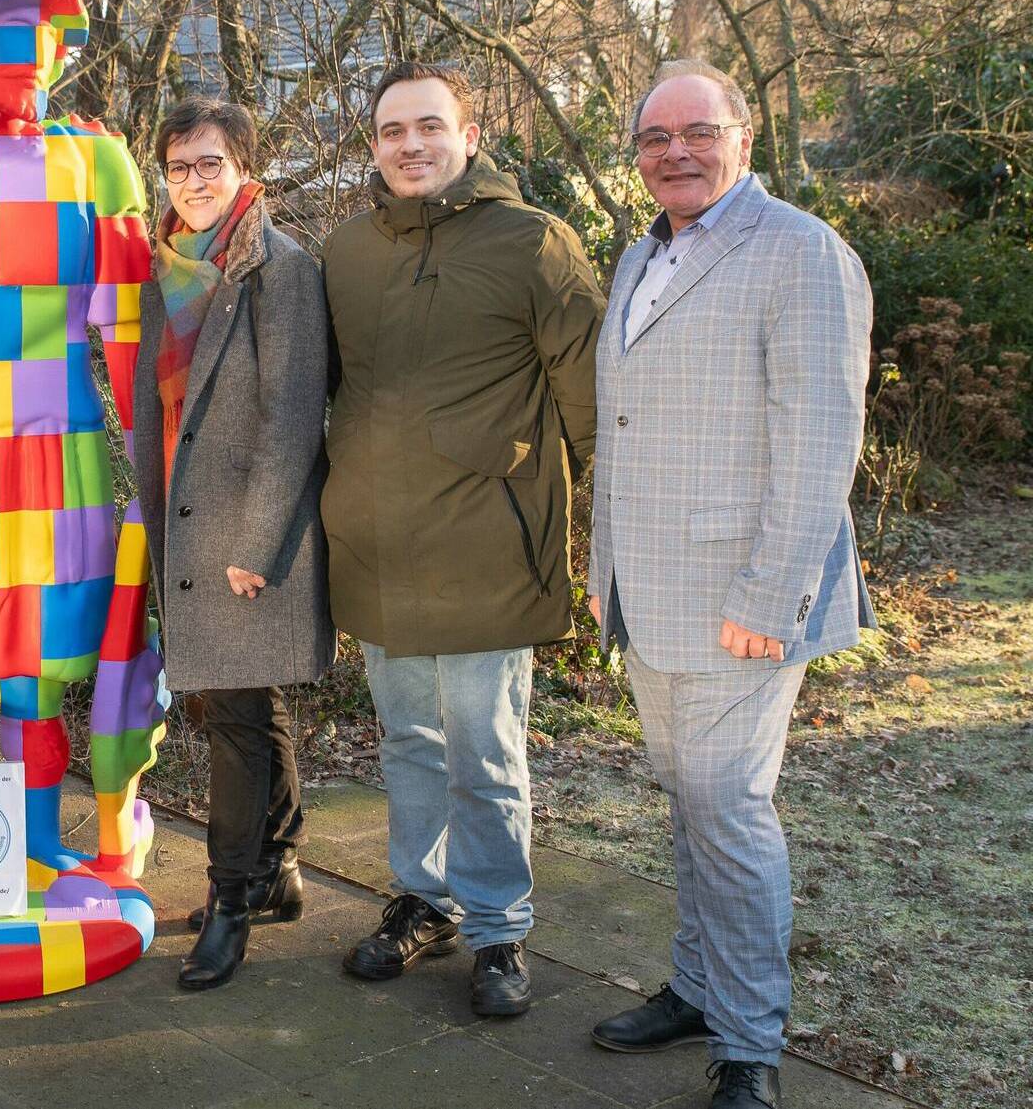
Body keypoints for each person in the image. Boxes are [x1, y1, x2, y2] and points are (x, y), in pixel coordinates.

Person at [587, 60, 872, 1109]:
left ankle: (749, 1039)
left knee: (728, 809)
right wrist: (601, 571)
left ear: (741, 138)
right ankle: (700, 984)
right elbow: (619, 429)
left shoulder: (799, 253)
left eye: (696, 131)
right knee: (688, 802)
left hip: (739, 600)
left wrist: (769, 598)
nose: (674, 152)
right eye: (654, 138)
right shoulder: (636, 257)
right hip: (648, 591)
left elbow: (817, 443)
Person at [321, 62, 604, 1017]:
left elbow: (595, 405)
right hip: (375, 544)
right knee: (407, 739)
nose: (411, 144)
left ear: (469, 137)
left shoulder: (535, 243)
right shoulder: (345, 252)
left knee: (485, 749)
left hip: (489, 540)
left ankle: (498, 927)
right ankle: (423, 898)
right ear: (373, 146)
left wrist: (610, 540)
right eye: (392, 130)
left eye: (430, 126)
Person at [132, 98, 332, 991]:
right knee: (244, 708)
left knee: (235, 726)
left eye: (211, 163)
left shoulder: (279, 269)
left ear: (246, 167)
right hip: (183, 518)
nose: (195, 181)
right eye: (179, 167)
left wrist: (257, 543)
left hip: (248, 532)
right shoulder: (165, 267)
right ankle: (279, 868)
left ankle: (229, 901)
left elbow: (292, 415)